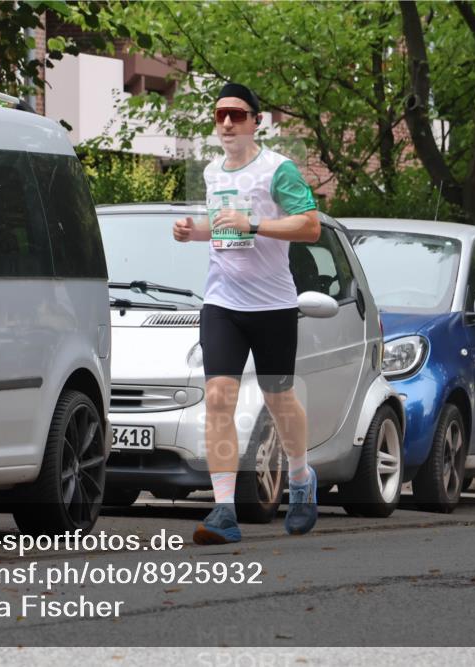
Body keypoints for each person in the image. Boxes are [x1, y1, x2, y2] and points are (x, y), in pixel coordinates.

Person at [172, 82, 321, 545]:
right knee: (218, 398)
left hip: (273, 304)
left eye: (237, 115)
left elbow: (310, 226)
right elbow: (226, 234)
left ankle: (300, 478)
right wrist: (192, 233)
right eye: (220, 116)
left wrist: (254, 223)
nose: (228, 123)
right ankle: (223, 510)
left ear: (257, 121)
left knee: (279, 399)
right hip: (222, 302)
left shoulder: (279, 170)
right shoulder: (213, 170)